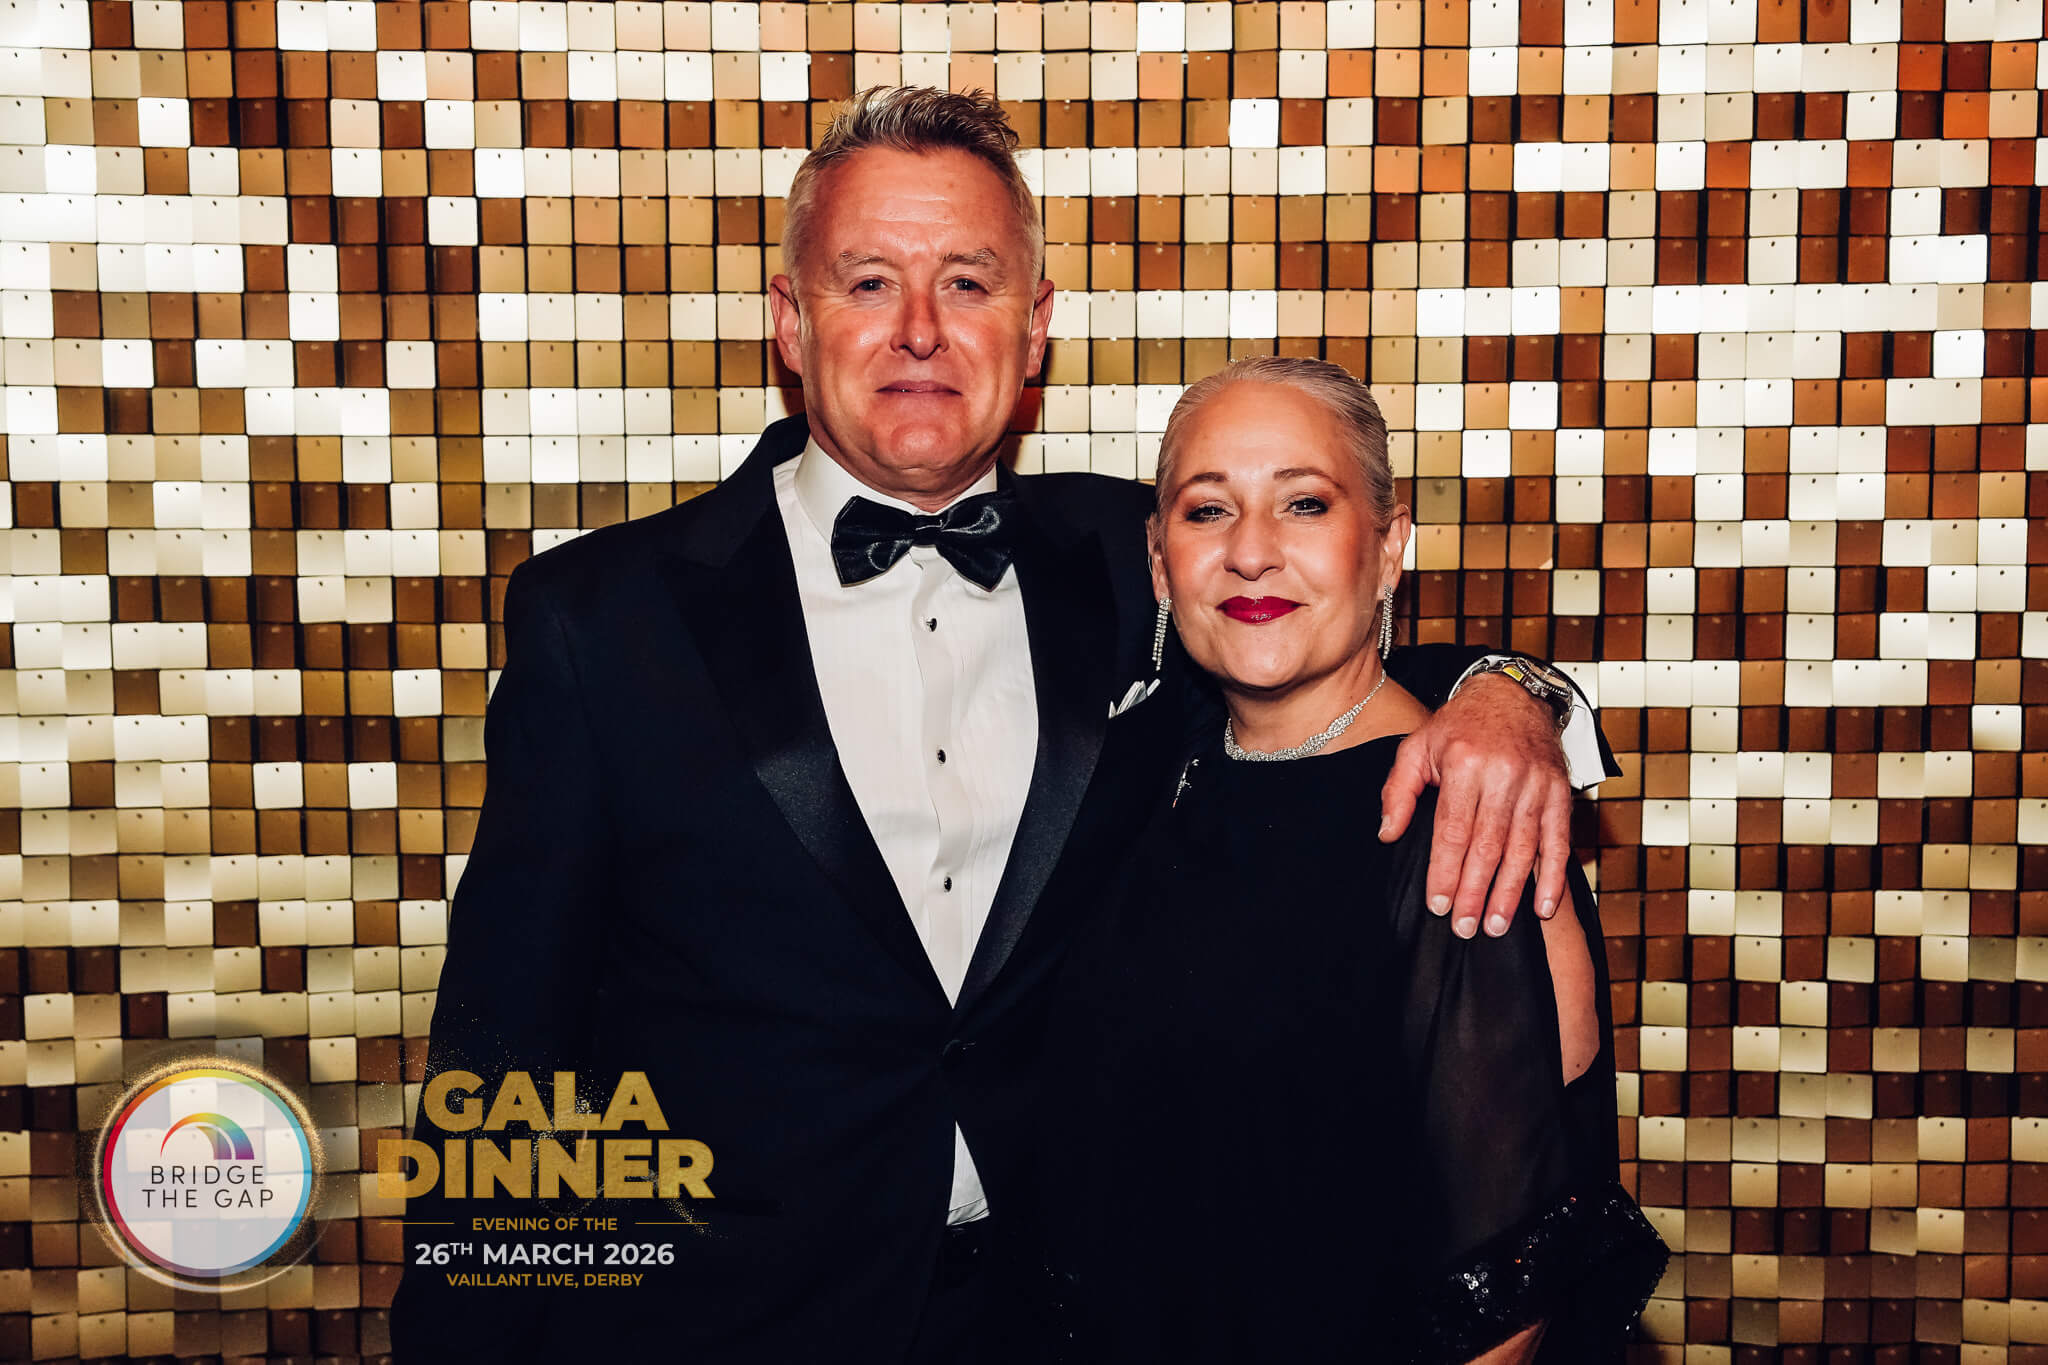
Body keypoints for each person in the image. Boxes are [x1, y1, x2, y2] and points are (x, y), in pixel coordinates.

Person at [390, 88, 1618, 1362]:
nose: (920, 329)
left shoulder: (1132, 559)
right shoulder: (602, 619)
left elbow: (1314, 649)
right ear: (790, 321)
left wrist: (1510, 696)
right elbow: (503, 1048)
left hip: (1060, 1325)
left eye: (968, 283)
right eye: (869, 282)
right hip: (720, 1327)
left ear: (1033, 329)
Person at [1037, 356, 1667, 1363]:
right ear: (1159, 561)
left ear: (1388, 546)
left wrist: (1510, 693)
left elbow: (1496, 1311)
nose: (1250, 552)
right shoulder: (1157, 771)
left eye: (1303, 503)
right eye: (1208, 511)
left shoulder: (1462, 821)